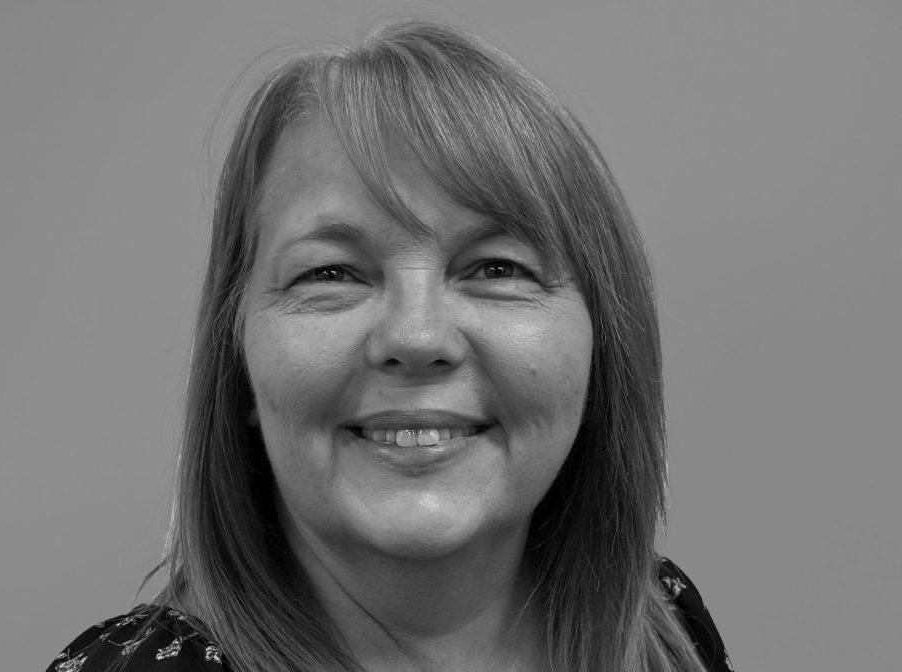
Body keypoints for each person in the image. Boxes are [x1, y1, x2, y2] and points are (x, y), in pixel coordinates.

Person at [46, 19, 732, 672]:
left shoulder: (663, 628)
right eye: (330, 274)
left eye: (497, 268)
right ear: (239, 365)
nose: (416, 336)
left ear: (602, 345)